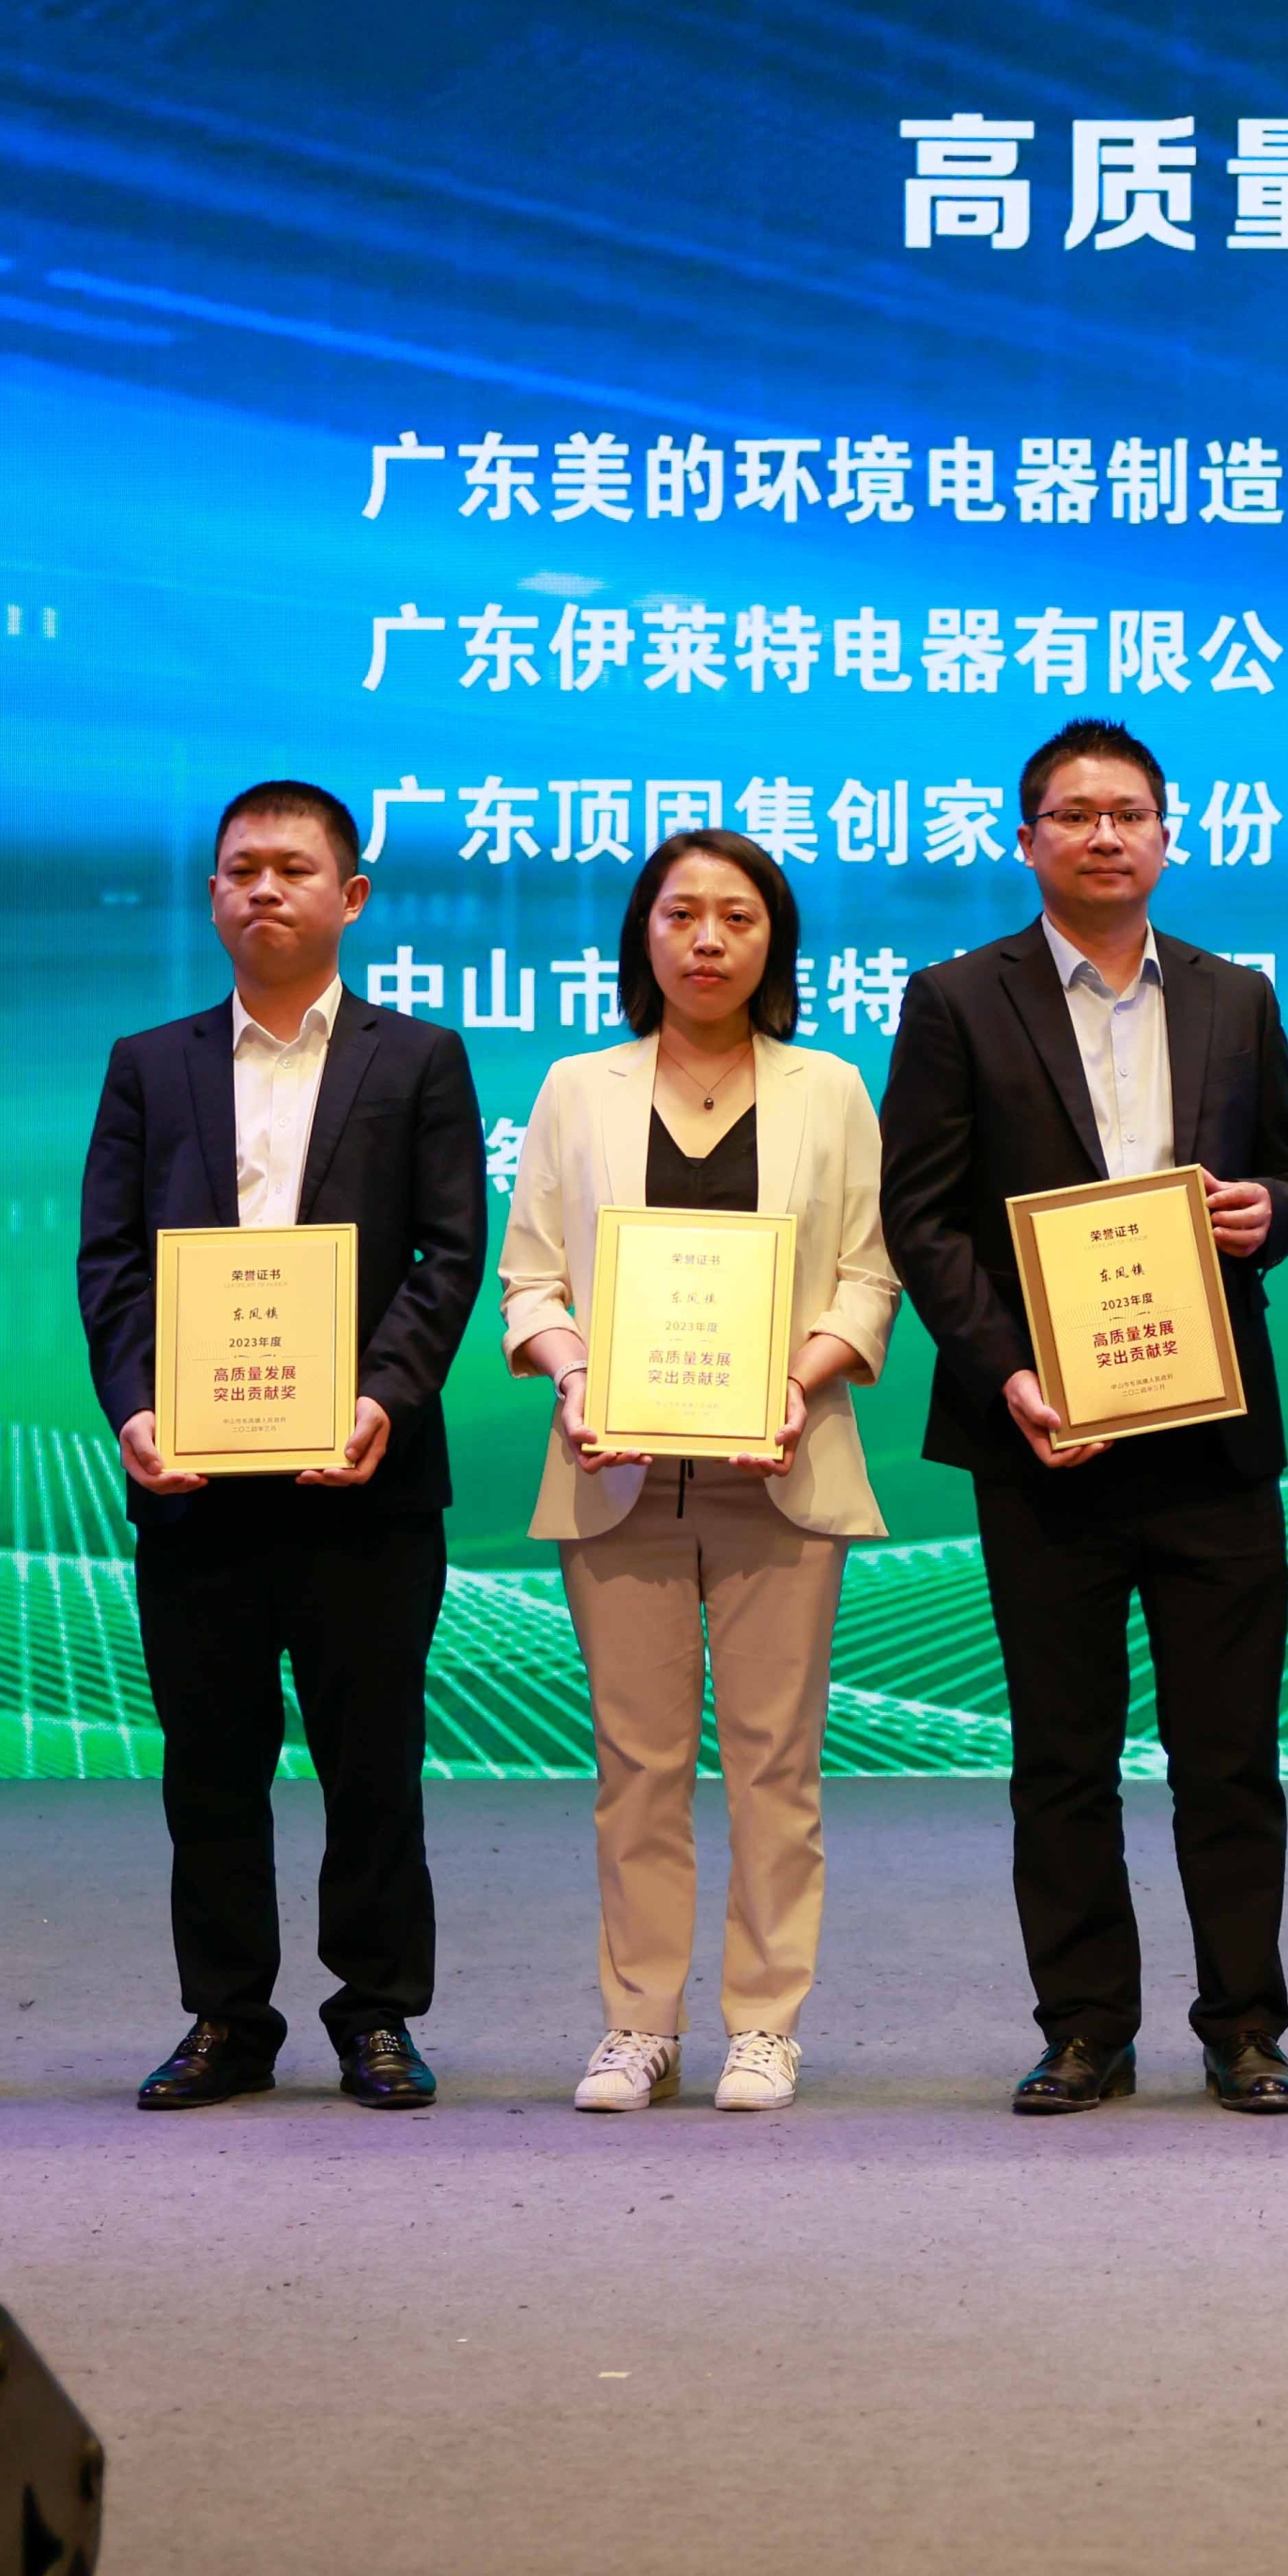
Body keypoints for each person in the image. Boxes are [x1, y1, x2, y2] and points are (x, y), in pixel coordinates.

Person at [879, 718, 1288, 2114]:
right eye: (1073, 815)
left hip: (1211, 1435)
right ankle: (1084, 2028)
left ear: (1167, 838)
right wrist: (1010, 1374)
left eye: (1128, 813)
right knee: (1062, 1756)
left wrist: (1270, 1212)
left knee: (1230, 1757)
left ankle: (1244, 2027)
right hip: (1044, 1437)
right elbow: (922, 1216)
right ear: (1028, 841)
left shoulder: (1234, 996)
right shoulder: (957, 1000)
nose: (1104, 835)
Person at [75, 779, 489, 2113]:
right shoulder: (150, 1062)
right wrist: (135, 1408)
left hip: (365, 1477)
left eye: (293, 868)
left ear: (350, 896)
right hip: (195, 1481)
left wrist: (383, 1398)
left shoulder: (417, 1059)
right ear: (211, 895)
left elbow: (449, 1254)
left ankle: (377, 2014)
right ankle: (225, 2018)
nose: (264, 888)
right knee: (210, 1764)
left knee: (373, 1764)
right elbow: (109, 1261)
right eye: (241, 868)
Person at [494, 831, 899, 2113]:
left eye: (737, 916)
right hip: (616, 1471)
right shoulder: (578, 1088)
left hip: (781, 1463)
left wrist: (800, 1380)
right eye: (681, 915)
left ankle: (765, 2024)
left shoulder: (831, 1088)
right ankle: (640, 2024)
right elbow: (530, 1281)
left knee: (776, 1764)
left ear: (775, 941)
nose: (708, 939)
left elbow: (868, 1278)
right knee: (638, 1766)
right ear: (644, 936)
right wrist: (573, 1376)